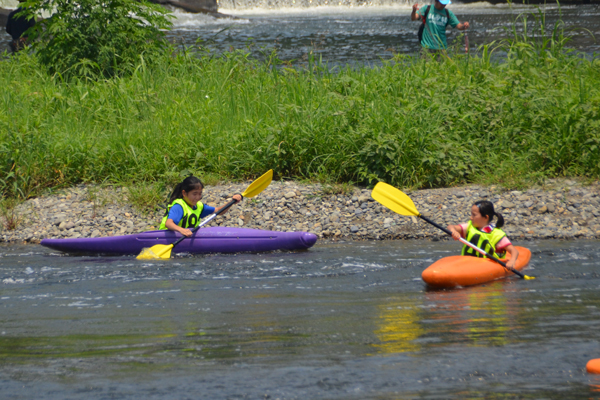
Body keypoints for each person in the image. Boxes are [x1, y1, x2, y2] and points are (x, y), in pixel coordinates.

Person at [159, 175, 242, 237]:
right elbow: (168, 223)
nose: (198, 197)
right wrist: (182, 230)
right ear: (184, 193)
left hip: (185, 236)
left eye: (200, 194)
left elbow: (219, 211)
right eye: (194, 194)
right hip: (164, 237)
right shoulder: (179, 206)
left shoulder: (199, 206)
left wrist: (232, 202)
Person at [447, 200, 519, 269]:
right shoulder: (469, 227)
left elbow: (514, 251)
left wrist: (512, 261)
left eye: (474, 215)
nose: (471, 217)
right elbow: (450, 226)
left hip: (487, 266)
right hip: (467, 263)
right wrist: (454, 231)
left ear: (485, 217)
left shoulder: (497, 234)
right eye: (471, 214)